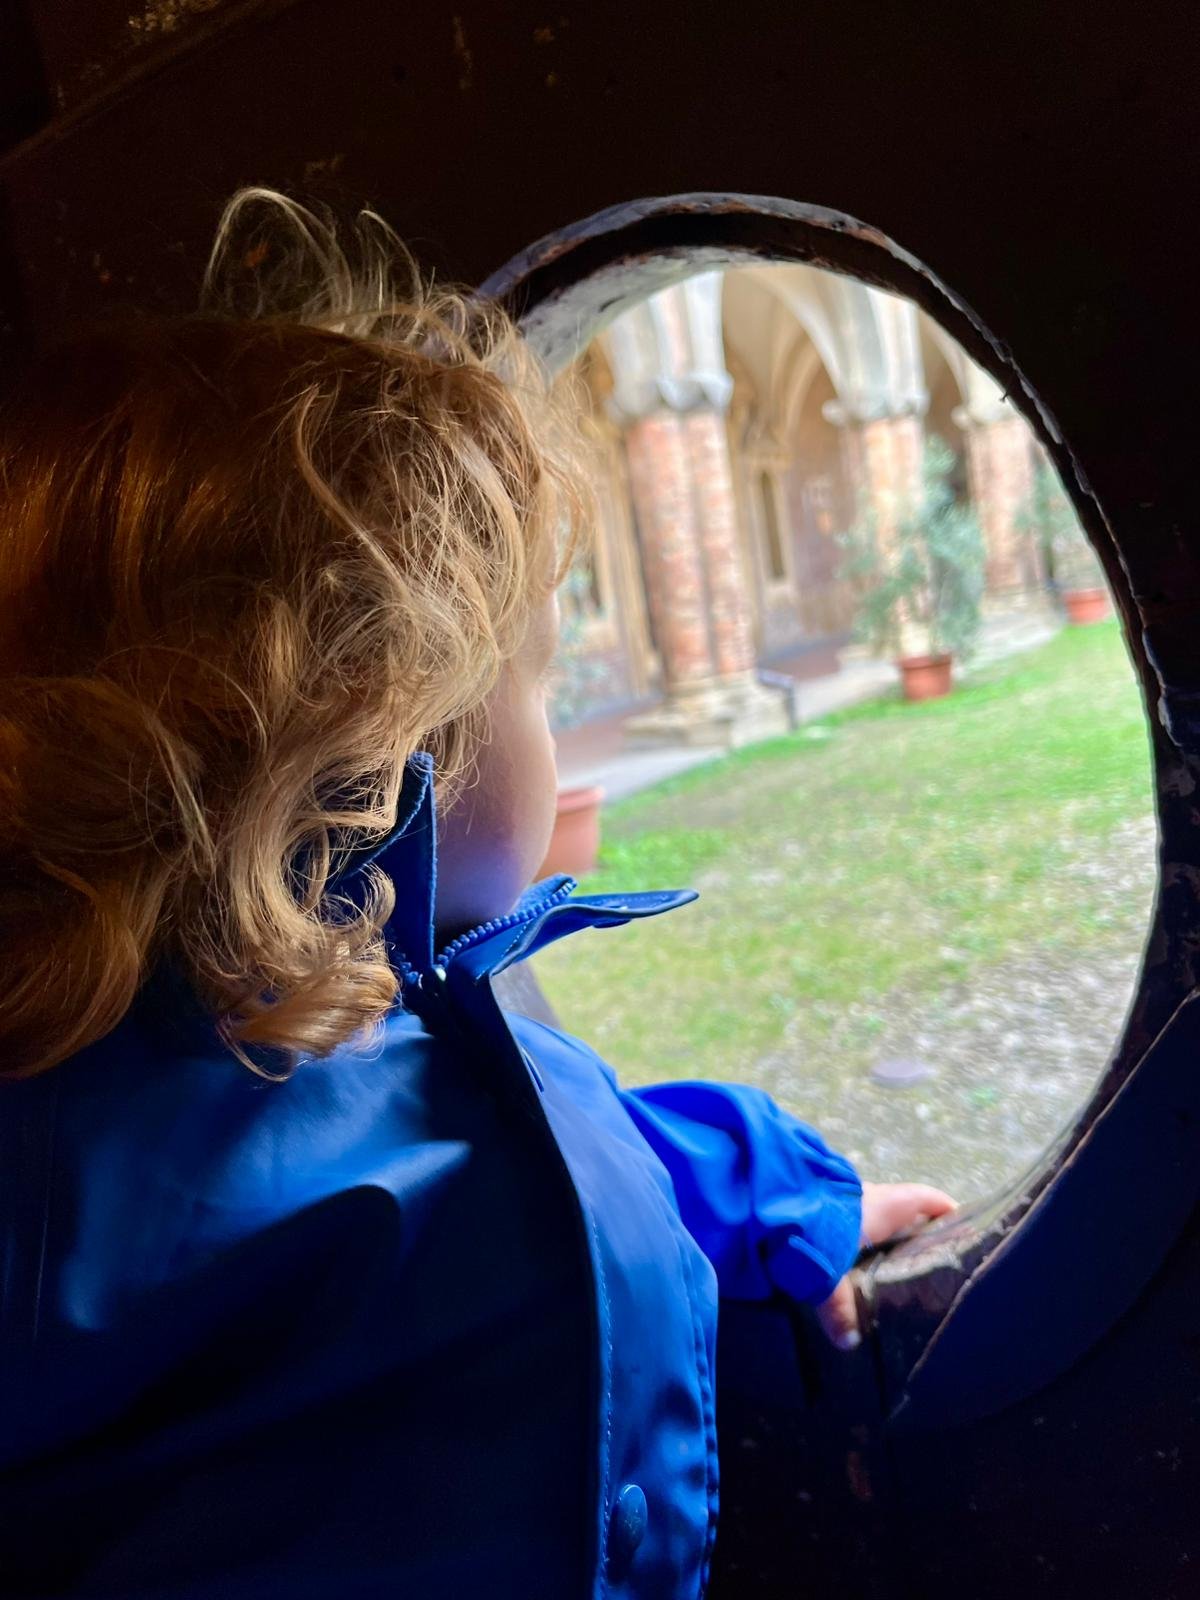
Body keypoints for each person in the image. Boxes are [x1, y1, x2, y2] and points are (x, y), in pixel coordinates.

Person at [0, 189, 955, 1598]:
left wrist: (763, 1183)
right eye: (538, 675)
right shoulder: (74, 1198)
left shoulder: (347, 1034)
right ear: (386, 720)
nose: (557, 733)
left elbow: (516, 1156)